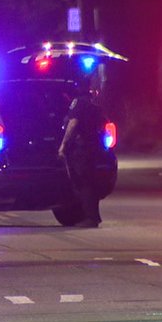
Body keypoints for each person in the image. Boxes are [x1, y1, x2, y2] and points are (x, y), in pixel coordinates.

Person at [57, 78, 107, 228]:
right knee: (91, 182)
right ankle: (93, 216)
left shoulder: (79, 103)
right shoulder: (94, 103)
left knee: (83, 183)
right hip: (94, 146)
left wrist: (63, 145)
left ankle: (90, 218)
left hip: (82, 148)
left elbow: (73, 124)